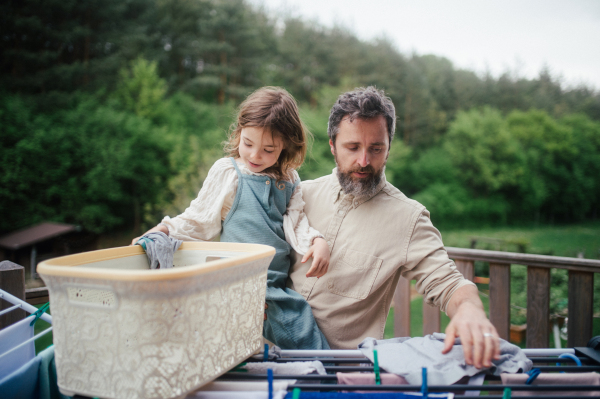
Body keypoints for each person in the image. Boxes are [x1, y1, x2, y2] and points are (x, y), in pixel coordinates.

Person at [286, 86, 501, 368]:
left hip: (338, 374)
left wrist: (470, 309)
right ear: (332, 145)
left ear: (389, 148)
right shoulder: (299, 195)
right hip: (267, 358)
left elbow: (449, 284)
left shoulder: (408, 218)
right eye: (353, 147)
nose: (364, 161)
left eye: (376, 148)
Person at [132, 86, 331, 350]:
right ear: (239, 132)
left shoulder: (290, 179)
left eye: (268, 149)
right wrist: (163, 229)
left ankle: (321, 380)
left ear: (285, 146)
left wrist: (317, 241)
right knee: (300, 333)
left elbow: (296, 222)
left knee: (294, 326)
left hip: (274, 281)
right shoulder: (230, 172)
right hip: (243, 278)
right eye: (248, 143)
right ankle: (330, 380)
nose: (254, 155)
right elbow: (199, 218)